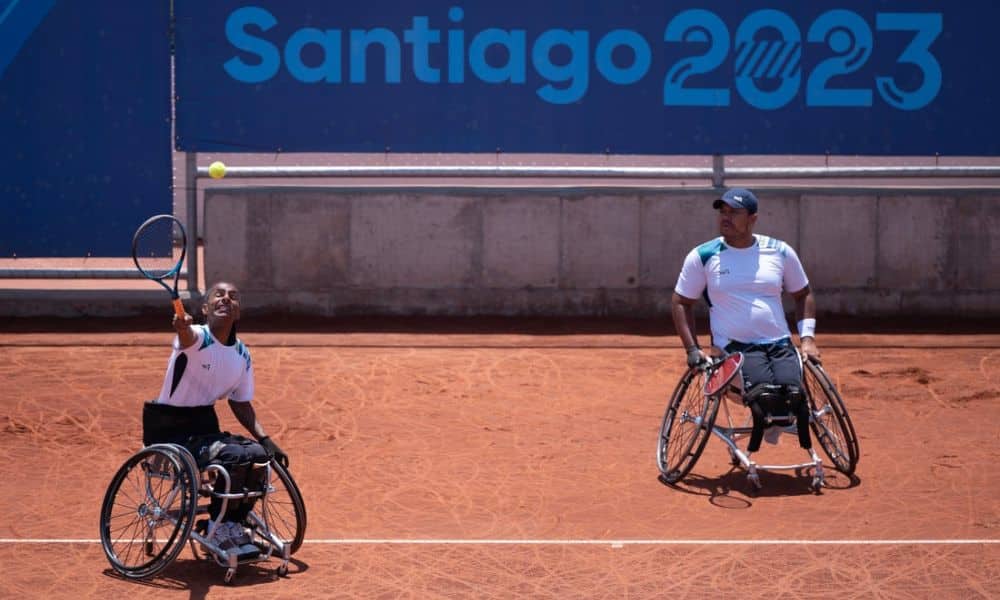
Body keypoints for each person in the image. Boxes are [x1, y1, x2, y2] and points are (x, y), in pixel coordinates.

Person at [141, 281, 289, 556]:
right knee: (232, 456)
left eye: (233, 297)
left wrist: (266, 439)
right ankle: (216, 526)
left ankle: (233, 523)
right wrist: (182, 326)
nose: (225, 299)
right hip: (169, 432)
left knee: (257, 454)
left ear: (238, 312)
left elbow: (240, 402)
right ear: (206, 308)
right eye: (218, 295)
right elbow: (186, 337)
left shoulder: (242, 355)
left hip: (203, 429)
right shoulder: (197, 337)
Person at [670, 188, 820, 455]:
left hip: (780, 345)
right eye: (722, 212)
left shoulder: (780, 251)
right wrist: (692, 350)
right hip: (735, 349)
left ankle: (779, 424)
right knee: (767, 397)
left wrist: (807, 340)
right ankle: (766, 425)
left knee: (795, 397)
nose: (725, 218)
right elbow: (681, 302)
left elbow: (803, 293)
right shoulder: (703, 256)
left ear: (753, 218)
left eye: (734, 212)